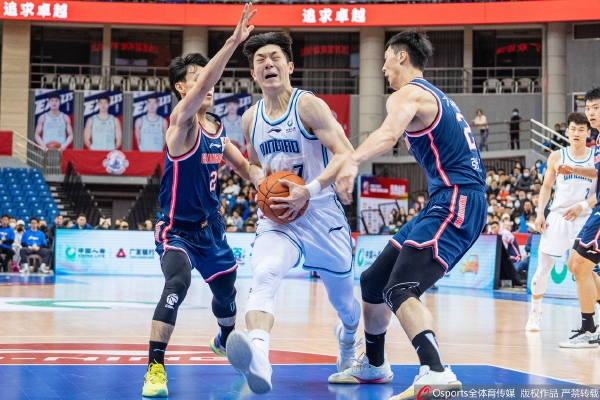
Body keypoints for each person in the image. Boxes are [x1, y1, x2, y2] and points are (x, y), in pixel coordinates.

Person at [331, 29, 487, 399]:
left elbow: (388, 136)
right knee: (373, 281)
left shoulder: (409, 93)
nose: (383, 68)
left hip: (457, 199)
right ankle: (375, 365)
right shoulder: (434, 96)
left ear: (401, 56)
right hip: (445, 199)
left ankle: (436, 371)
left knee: (401, 288)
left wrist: (352, 160)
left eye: (385, 59)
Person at [224, 32, 362, 395]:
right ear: (253, 73)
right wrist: (259, 178)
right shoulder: (250, 118)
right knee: (264, 274)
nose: (267, 64)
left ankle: (349, 339)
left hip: (321, 214)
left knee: (344, 303)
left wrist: (309, 190)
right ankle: (259, 357)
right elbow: (255, 163)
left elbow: (345, 152)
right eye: (260, 60)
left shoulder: (308, 106)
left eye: (274, 57)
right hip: (279, 217)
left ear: (289, 66)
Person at [141, 4, 258, 398]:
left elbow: (245, 168)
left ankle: (224, 338)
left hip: (212, 230)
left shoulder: (216, 127)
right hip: (176, 230)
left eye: (208, 79)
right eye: (198, 79)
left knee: (227, 294)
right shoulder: (181, 123)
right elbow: (208, 78)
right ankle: (155, 368)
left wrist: (281, 184)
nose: (209, 84)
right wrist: (233, 42)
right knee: (178, 281)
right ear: (182, 88)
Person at [527, 112, 596, 331]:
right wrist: (540, 213)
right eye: (573, 129)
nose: (576, 133)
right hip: (558, 216)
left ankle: (590, 322)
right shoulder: (557, 156)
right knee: (543, 270)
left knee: (585, 271)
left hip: (585, 217)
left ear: (588, 133)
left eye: (581, 130)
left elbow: (599, 194)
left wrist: (583, 205)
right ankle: (535, 312)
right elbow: (546, 186)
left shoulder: (595, 157)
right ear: (566, 131)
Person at [554, 87, 600, 348]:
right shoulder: (599, 139)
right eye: (588, 108)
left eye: (596, 108)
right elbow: (597, 172)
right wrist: (575, 169)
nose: (591, 113)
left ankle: (589, 330)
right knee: (575, 264)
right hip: (597, 209)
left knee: (581, 266)